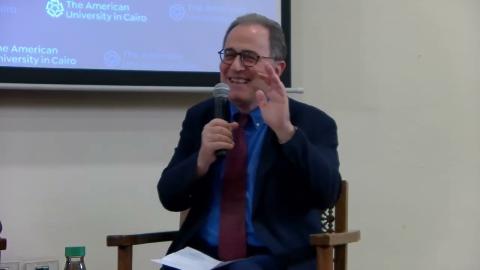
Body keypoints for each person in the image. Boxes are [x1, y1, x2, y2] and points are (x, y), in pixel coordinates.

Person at [158, 13, 341, 270]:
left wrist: (287, 133)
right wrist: (200, 162)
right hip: (201, 256)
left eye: (249, 57)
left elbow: (327, 194)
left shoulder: (311, 122)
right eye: (229, 55)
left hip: (277, 258)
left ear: (277, 69)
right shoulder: (202, 116)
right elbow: (169, 197)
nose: (234, 67)